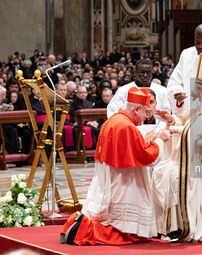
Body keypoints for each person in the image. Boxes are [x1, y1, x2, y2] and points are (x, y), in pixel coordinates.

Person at [60, 87, 171, 245]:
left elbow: (133, 150)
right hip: (123, 182)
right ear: (137, 109)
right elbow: (147, 157)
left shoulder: (115, 120)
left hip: (114, 176)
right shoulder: (126, 126)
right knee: (123, 233)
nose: (147, 118)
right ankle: (83, 229)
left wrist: (149, 141)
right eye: (146, 113)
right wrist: (160, 140)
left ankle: (80, 226)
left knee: (125, 231)